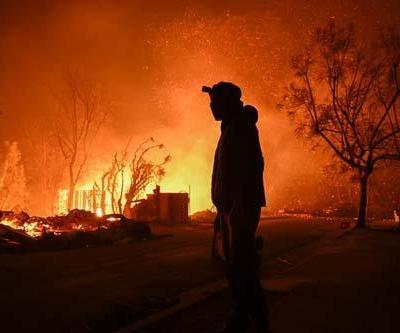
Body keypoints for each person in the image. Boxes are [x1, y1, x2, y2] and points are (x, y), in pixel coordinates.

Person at [202, 82, 269, 333]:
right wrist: (221, 213)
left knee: (243, 270)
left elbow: (251, 168)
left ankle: (257, 323)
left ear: (227, 103)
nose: (211, 107)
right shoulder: (232, 126)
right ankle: (241, 317)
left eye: (215, 102)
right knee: (236, 269)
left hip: (239, 210)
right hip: (230, 209)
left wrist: (238, 205)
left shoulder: (241, 127)